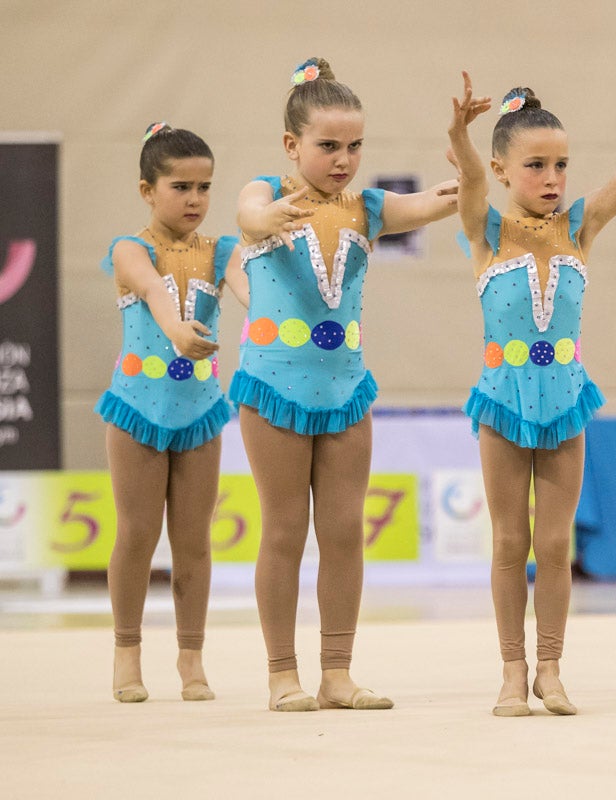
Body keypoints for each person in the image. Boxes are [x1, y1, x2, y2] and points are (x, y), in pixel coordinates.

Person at [448, 72, 616, 716]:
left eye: (561, 165)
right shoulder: (485, 230)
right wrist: (458, 133)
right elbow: (470, 178)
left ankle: (551, 667)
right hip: (502, 402)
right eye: (535, 165)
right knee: (509, 542)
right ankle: (512, 670)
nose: (552, 178)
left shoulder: (579, 226)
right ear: (502, 170)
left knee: (555, 545)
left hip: (566, 400)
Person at [233, 57, 458, 711]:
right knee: (284, 531)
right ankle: (282, 674)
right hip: (274, 389)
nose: (344, 160)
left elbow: (440, 202)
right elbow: (249, 214)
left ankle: (337, 673)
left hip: (345, 391)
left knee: (343, 532)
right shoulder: (265, 190)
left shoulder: (369, 208)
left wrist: (472, 165)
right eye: (328, 146)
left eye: (355, 146)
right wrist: (266, 219)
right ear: (291, 144)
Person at [97, 122, 247, 703]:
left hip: (200, 412)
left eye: (204, 187)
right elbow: (155, 291)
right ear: (147, 190)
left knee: (194, 541)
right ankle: (126, 652)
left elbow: (251, 291)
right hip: (137, 410)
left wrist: (272, 315)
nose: (195, 199)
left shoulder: (221, 251)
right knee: (138, 533)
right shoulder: (130, 249)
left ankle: (191, 657)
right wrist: (177, 330)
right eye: (180, 186)